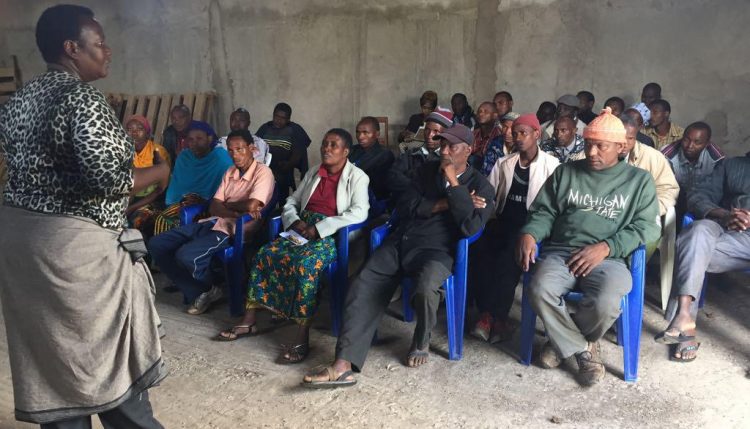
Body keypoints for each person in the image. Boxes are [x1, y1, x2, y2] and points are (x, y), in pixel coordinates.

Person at [0, 5, 168, 427]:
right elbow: (110, 178)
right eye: (99, 43)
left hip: (22, 245)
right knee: (107, 361)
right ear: (72, 49)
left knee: (56, 360)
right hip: (72, 252)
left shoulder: (20, 99)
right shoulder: (82, 99)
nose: (108, 51)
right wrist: (164, 169)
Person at [302, 124, 494, 388]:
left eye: (452, 146)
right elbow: (406, 206)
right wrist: (451, 202)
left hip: (437, 251)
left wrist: (454, 183)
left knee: (426, 288)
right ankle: (343, 364)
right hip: (402, 241)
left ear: (468, 151)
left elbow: (469, 227)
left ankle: (422, 339)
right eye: (443, 145)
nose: (445, 151)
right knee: (361, 284)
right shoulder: (425, 170)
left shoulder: (482, 185)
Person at [516, 107, 660, 386]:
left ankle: (560, 342)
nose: (592, 153)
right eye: (589, 145)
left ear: (621, 147)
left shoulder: (638, 181)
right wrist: (531, 233)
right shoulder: (566, 172)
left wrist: (607, 247)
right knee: (538, 289)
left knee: (607, 302)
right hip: (561, 251)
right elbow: (543, 212)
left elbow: (647, 227)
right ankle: (583, 349)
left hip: (610, 258)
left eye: (601, 146)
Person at [217, 129, 369, 364]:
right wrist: (294, 220)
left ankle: (301, 335)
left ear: (346, 152)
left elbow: (359, 212)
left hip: (329, 234)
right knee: (265, 255)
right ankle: (249, 321)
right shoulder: (313, 172)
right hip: (301, 227)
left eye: (333, 145)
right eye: (324, 144)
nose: (326, 149)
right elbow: (292, 201)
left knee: (305, 266)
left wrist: (319, 229)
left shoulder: (357, 177)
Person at [149, 129, 274, 315]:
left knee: (185, 255)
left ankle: (205, 287)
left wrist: (229, 205)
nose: (235, 155)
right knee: (156, 244)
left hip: (233, 230)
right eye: (231, 150)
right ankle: (205, 289)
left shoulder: (263, 173)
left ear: (252, 149)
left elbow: (252, 204)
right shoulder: (230, 171)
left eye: (240, 149)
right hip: (212, 221)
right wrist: (234, 208)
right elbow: (215, 206)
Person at [470, 114, 559, 343]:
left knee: (509, 257)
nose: (517, 137)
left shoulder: (552, 166)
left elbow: (555, 206)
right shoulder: (505, 163)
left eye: (523, 133)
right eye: (515, 133)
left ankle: (494, 317)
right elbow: (490, 195)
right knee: (479, 251)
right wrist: (482, 207)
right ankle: (490, 315)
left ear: (537, 134)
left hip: (531, 227)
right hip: (502, 221)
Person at [656, 153, 750, 362]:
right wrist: (726, 215)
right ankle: (684, 317)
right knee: (697, 234)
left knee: (693, 254)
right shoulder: (732, 165)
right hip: (727, 231)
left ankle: (682, 326)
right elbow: (698, 195)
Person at [153, 121, 233, 235]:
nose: (194, 143)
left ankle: (162, 250)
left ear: (210, 138)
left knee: (163, 220)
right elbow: (177, 186)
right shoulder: (184, 157)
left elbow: (226, 191)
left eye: (199, 138)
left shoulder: (221, 158)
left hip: (208, 206)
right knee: (144, 216)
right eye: (190, 139)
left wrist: (204, 201)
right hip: (180, 201)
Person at [620, 115, 679, 217]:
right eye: (620, 137)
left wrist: (648, 212)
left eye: (630, 138)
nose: (624, 143)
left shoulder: (653, 157)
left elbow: (667, 190)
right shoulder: (594, 154)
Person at [661, 122, 725, 214]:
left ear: (707, 144)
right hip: (674, 203)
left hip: (703, 205)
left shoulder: (717, 158)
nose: (690, 146)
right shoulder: (666, 155)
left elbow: (716, 191)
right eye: (686, 140)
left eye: (697, 142)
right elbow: (664, 189)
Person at [388, 109, 453, 198]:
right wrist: (418, 186)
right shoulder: (411, 153)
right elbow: (392, 177)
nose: (430, 135)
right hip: (406, 206)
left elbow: (439, 190)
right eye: (427, 130)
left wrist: (409, 175)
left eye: (436, 131)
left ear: (445, 135)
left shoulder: (446, 159)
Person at [256, 102, 312, 205]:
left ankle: (280, 214)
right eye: (276, 116)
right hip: (264, 168)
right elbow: (255, 145)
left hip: (283, 168)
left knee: (281, 188)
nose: (278, 120)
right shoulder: (265, 128)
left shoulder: (294, 129)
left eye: (283, 118)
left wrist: (289, 163)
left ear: (288, 119)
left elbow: (299, 151)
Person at [125, 115, 171, 239]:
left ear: (147, 133)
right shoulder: (123, 151)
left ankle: (142, 255)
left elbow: (160, 190)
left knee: (138, 221)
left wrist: (131, 208)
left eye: (139, 128)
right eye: (129, 129)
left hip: (153, 200)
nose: (134, 133)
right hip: (128, 198)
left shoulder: (157, 153)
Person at [349, 116, 395, 199]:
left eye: (365, 132)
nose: (360, 137)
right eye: (358, 132)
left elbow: (378, 186)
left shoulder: (385, 155)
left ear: (377, 134)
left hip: (371, 198)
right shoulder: (352, 150)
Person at [471, 101, 504, 175]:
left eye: (486, 112)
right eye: (479, 111)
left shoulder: (499, 134)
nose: (481, 114)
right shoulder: (474, 133)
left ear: (495, 116)